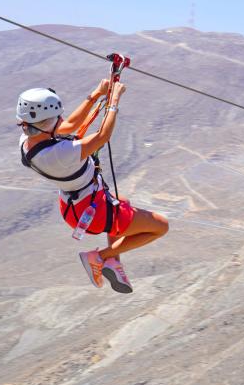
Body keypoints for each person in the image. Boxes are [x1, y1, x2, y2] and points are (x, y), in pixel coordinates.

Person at [16, 80, 168, 293]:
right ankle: (99, 257)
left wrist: (97, 93)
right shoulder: (61, 154)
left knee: (122, 199)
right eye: (56, 118)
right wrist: (114, 100)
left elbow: (69, 126)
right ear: (46, 124)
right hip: (96, 212)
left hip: (75, 207)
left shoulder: (27, 141)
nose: (61, 119)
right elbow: (102, 136)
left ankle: (113, 262)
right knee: (161, 226)